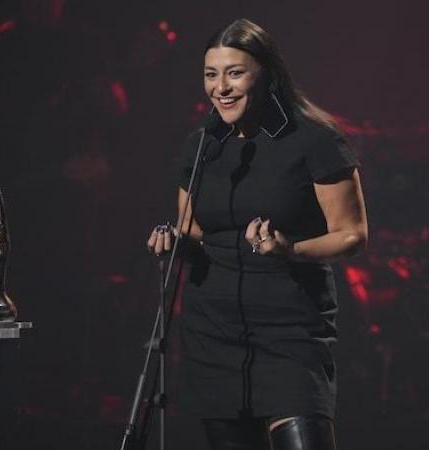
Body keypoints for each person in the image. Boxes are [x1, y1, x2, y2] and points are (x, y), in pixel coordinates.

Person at [146, 18, 367, 450]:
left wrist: (291, 248)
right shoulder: (203, 144)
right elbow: (192, 227)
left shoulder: (314, 140)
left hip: (289, 332)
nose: (220, 88)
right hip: (213, 332)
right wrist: (174, 241)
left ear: (266, 74)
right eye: (211, 75)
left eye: (235, 73)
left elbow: (352, 234)